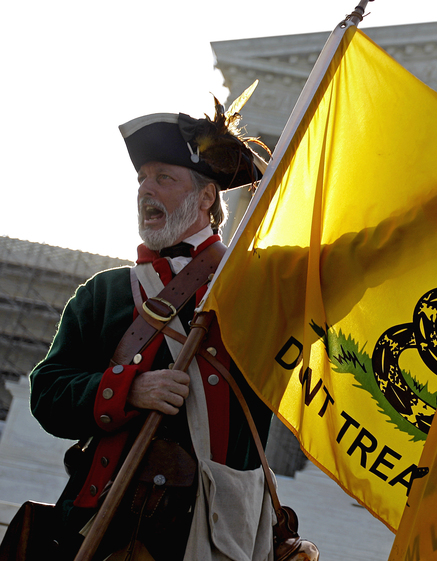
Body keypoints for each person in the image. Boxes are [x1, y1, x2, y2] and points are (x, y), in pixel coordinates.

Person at [27, 98, 273, 560]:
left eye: (164, 178)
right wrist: (129, 389)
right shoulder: (104, 293)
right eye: (142, 178)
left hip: (213, 531)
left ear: (205, 198)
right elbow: (48, 394)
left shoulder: (254, 285)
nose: (146, 189)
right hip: (101, 522)